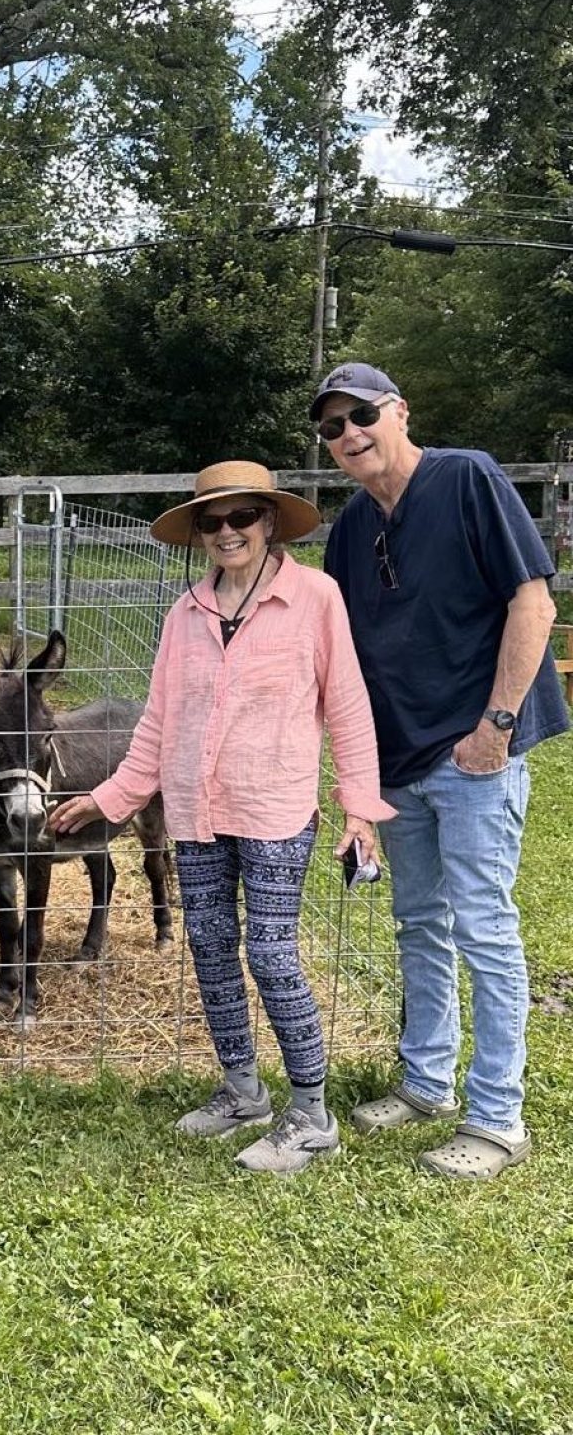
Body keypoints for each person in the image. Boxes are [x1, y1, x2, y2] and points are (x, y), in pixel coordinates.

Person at [47, 461, 394, 1175]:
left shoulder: (315, 599)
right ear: (199, 533)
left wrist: (360, 807)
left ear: (269, 522)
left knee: (269, 952)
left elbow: (350, 707)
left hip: (274, 807)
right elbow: (158, 722)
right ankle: (243, 1090)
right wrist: (111, 798)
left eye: (242, 518)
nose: (228, 532)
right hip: (196, 811)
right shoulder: (186, 613)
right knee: (208, 946)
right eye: (213, 521)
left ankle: (311, 1111)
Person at [313, 361, 567, 1179]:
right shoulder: (351, 529)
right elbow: (341, 658)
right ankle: (426, 1084)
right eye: (331, 426)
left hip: (472, 753)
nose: (349, 434)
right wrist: (356, 777)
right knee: (418, 923)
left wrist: (495, 727)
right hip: (397, 764)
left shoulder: (467, 479)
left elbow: (534, 602)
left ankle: (497, 1118)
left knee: (485, 929)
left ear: (399, 411)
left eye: (361, 415)